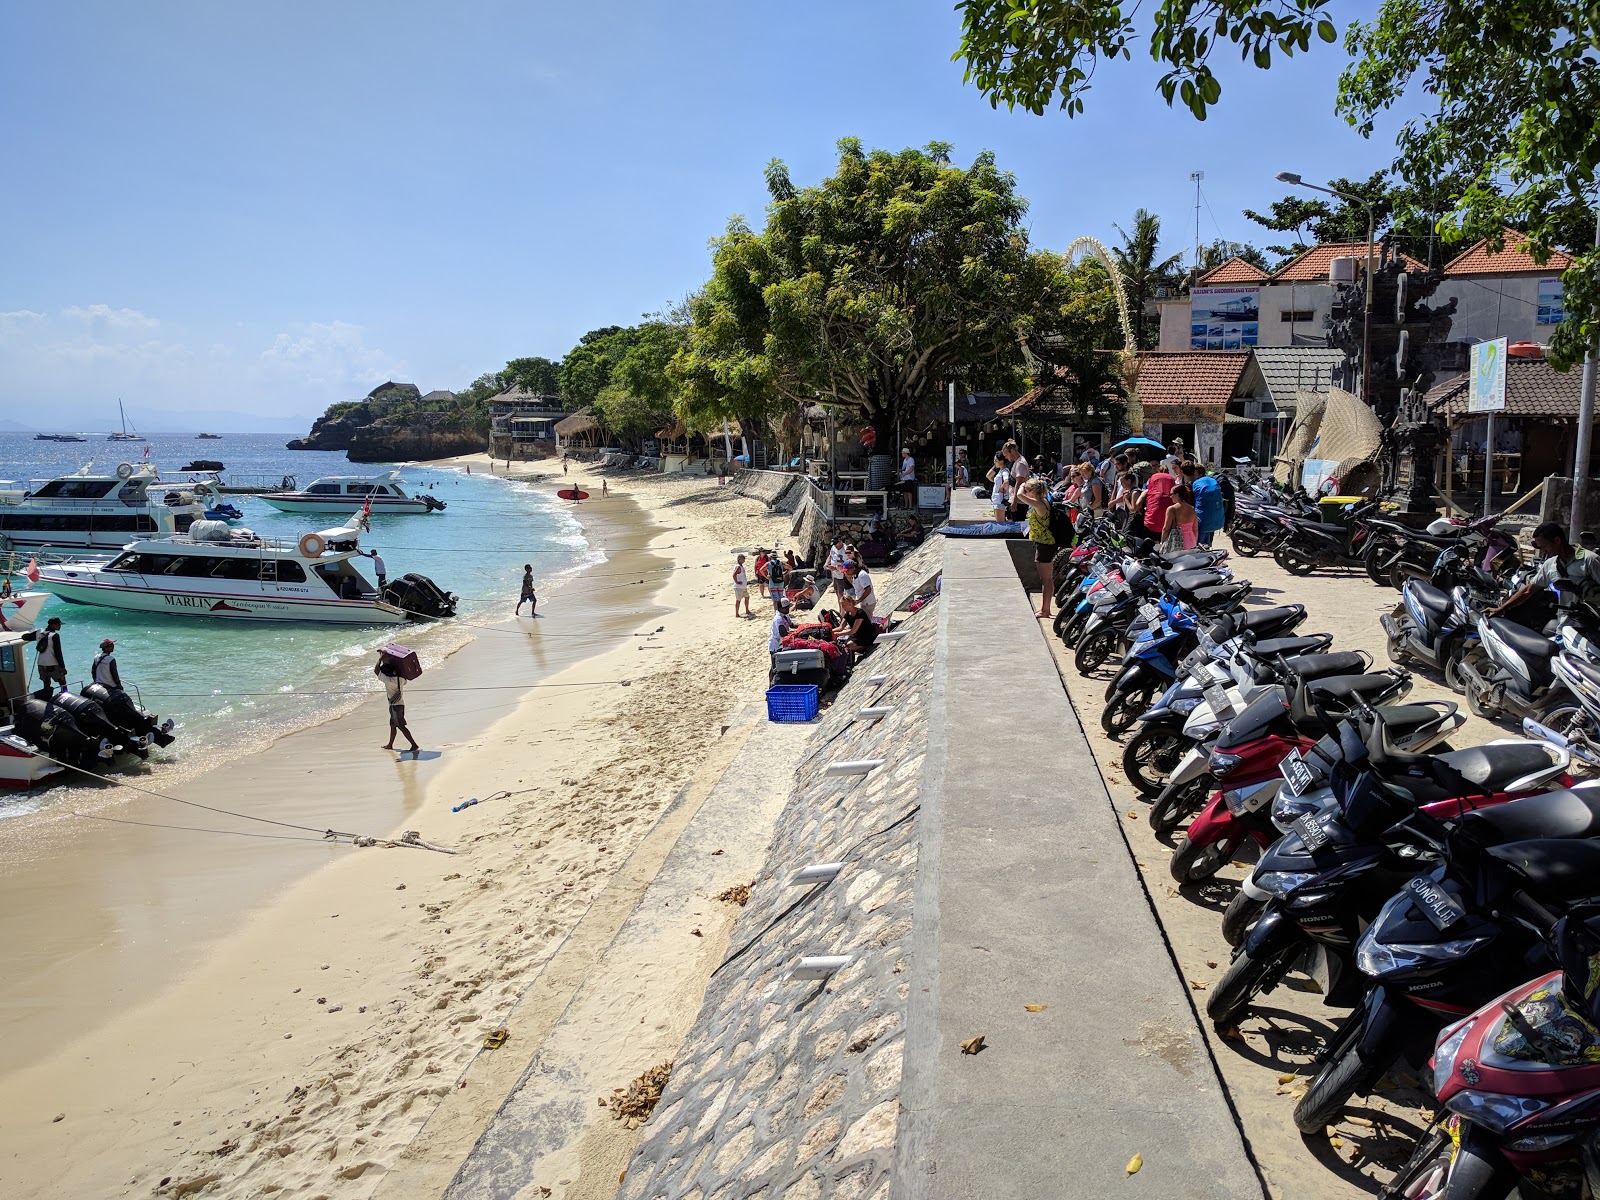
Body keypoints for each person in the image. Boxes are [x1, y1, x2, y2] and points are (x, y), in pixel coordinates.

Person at [1491, 523, 1600, 616]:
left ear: (1557, 540)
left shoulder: (1589, 560)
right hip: (1565, 625)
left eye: (1544, 546)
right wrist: (1501, 609)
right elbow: (1528, 591)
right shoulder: (1550, 564)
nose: (1543, 551)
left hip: (1591, 625)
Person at [1015, 477, 1057, 619]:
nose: (1025, 492)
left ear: (1033, 491)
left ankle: (1045, 610)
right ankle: (1045, 608)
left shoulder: (1039, 504)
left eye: (1028, 490)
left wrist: (1021, 486)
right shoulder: (1042, 502)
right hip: (1045, 544)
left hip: (1045, 545)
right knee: (1047, 579)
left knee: (1046, 580)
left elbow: (1019, 496)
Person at [375, 653, 420, 755]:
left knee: (400, 725)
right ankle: (390, 744)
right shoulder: (401, 679)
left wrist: (380, 659)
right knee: (393, 725)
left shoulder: (388, 680)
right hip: (400, 705)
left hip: (395, 707)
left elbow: (376, 670)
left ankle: (414, 744)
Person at [1184, 462, 1225, 549]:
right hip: (1216, 520)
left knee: (1198, 546)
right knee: (1207, 543)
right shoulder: (1210, 481)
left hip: (1201, 521)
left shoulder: (1194, 485)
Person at [1140, 459, 1177, 541]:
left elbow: (1141, 499)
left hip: (1151, 520)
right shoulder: (1172, 480)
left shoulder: (1152, 479)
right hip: (1166, 520)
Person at [28, 616, 65, 696]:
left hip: (41, 664)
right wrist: (62, 667)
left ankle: (47, 699)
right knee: (62, 682)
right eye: (58, 624)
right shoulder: (55, 636)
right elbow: (58, 653)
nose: (59, 626)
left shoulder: (39, 632)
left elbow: (25, 637)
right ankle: (66, 697)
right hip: (52, 663)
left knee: (46, 684)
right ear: (53, 625)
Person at [834, 593, 879, 659]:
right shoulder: (847, 614)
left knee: (849, 645)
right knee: (844, 645)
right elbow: (841, 627)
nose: (842, 607)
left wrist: (839, 634)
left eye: (844, 605)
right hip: (857, 635)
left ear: (850, 604)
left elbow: (853, 631)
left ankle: (867, 647)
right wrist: (831, 630)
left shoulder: (859, 613)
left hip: (866, 635)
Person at [1161, 484, 1200, 553]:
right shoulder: (1192, 508)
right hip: (1191, 541)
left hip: (1177, 542)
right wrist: (1194, 542)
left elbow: (1166, 529)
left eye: (1171, 494)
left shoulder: (1172, 509)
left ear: (1177, 494)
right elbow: (1195, 529)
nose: (1170, 497)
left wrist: (1163, 542)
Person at [987, 453, 1012, 522]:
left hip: (1000, 500)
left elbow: (1006, 481)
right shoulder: (1000, 471)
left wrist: (1001, 487)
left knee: (1000, 523)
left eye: (996, 460)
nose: (994, 462)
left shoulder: (1005, 471)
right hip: (996, 500)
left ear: (1001, 461)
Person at [827, 537, 850, 602]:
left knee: (841, 594)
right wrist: (827, 564)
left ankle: (843, 609)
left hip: (842, 575)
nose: (835, 546)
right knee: (837, 592)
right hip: (835, 574)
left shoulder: (846, 549)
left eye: (836, 544)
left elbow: (850, 561)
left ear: (840, 541)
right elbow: (830, 556)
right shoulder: (833, 547)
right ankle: (841, 609)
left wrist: (837, 568)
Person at [733, 554, 753, 618]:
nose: (744, 560)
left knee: (747, 597)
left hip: (743, 587)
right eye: (743, 559)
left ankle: (747, 610)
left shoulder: (740, 566)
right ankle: (737, 613)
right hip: (739, 587)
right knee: (738, 600)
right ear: (739, 559)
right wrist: (737, 582)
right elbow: (734, 575)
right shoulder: (738, 567)